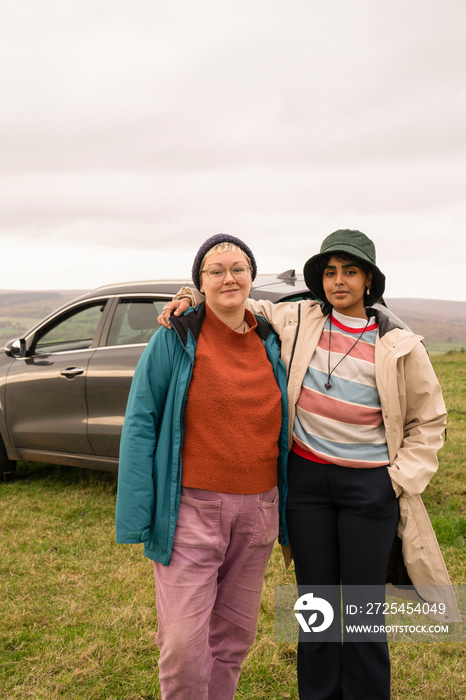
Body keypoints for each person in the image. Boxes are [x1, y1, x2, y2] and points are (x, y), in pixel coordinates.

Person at [160, 229, 460, 700]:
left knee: (360, 613)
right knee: (315, 607)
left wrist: (396, 481)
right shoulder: (298, 318)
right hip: (307, 487)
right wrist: (188, 297)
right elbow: (238, 303)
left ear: (369, 280)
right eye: (330, 272)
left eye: (350, 271)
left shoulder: (400, 344)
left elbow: (430, 420)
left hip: (369, 489)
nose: (338, 281)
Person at [115, 234, 288, 700]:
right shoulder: (175, 337)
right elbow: (140, 425)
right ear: (199, 282)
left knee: (232, 640)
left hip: (259, 514)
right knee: (182, 645)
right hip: (192, 510)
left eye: (238, 268)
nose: (229, 277)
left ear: (253, 276)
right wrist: (138, 514)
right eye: (215, 270)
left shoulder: (272, 337)